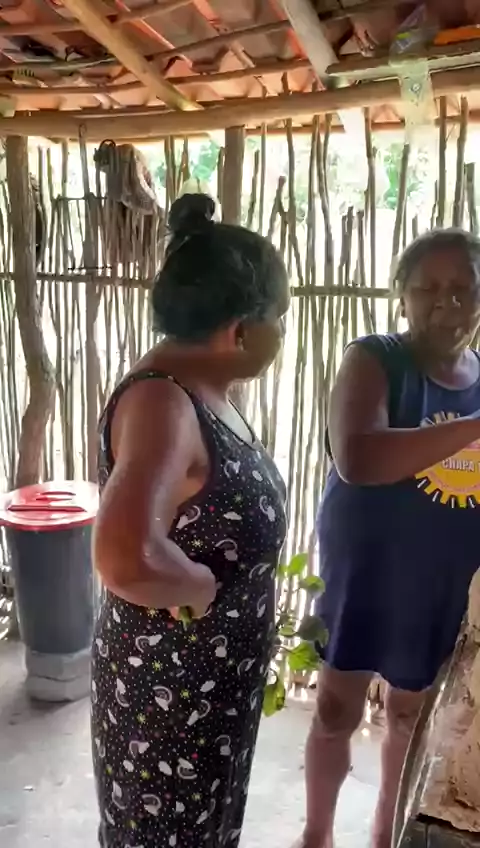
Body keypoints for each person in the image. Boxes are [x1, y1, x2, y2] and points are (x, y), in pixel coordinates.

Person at [91, 193, 289, 848]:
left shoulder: (198, 391)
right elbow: (123, 556)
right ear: (240, 329)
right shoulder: (163, 403)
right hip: (169, 701)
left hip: (207, 696)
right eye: (279, 321)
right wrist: (199, 587)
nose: (281, 338)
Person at [300, 228, 480, 848]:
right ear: (401, 295)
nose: (446, 304)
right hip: (366, 570)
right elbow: (359, 458)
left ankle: (387, 832)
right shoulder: (375, 360)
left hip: (443, 579)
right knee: (335, 709)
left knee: (411, 715)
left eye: (463, 290)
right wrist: (473, 427)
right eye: (428, 288)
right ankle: (316, 834)